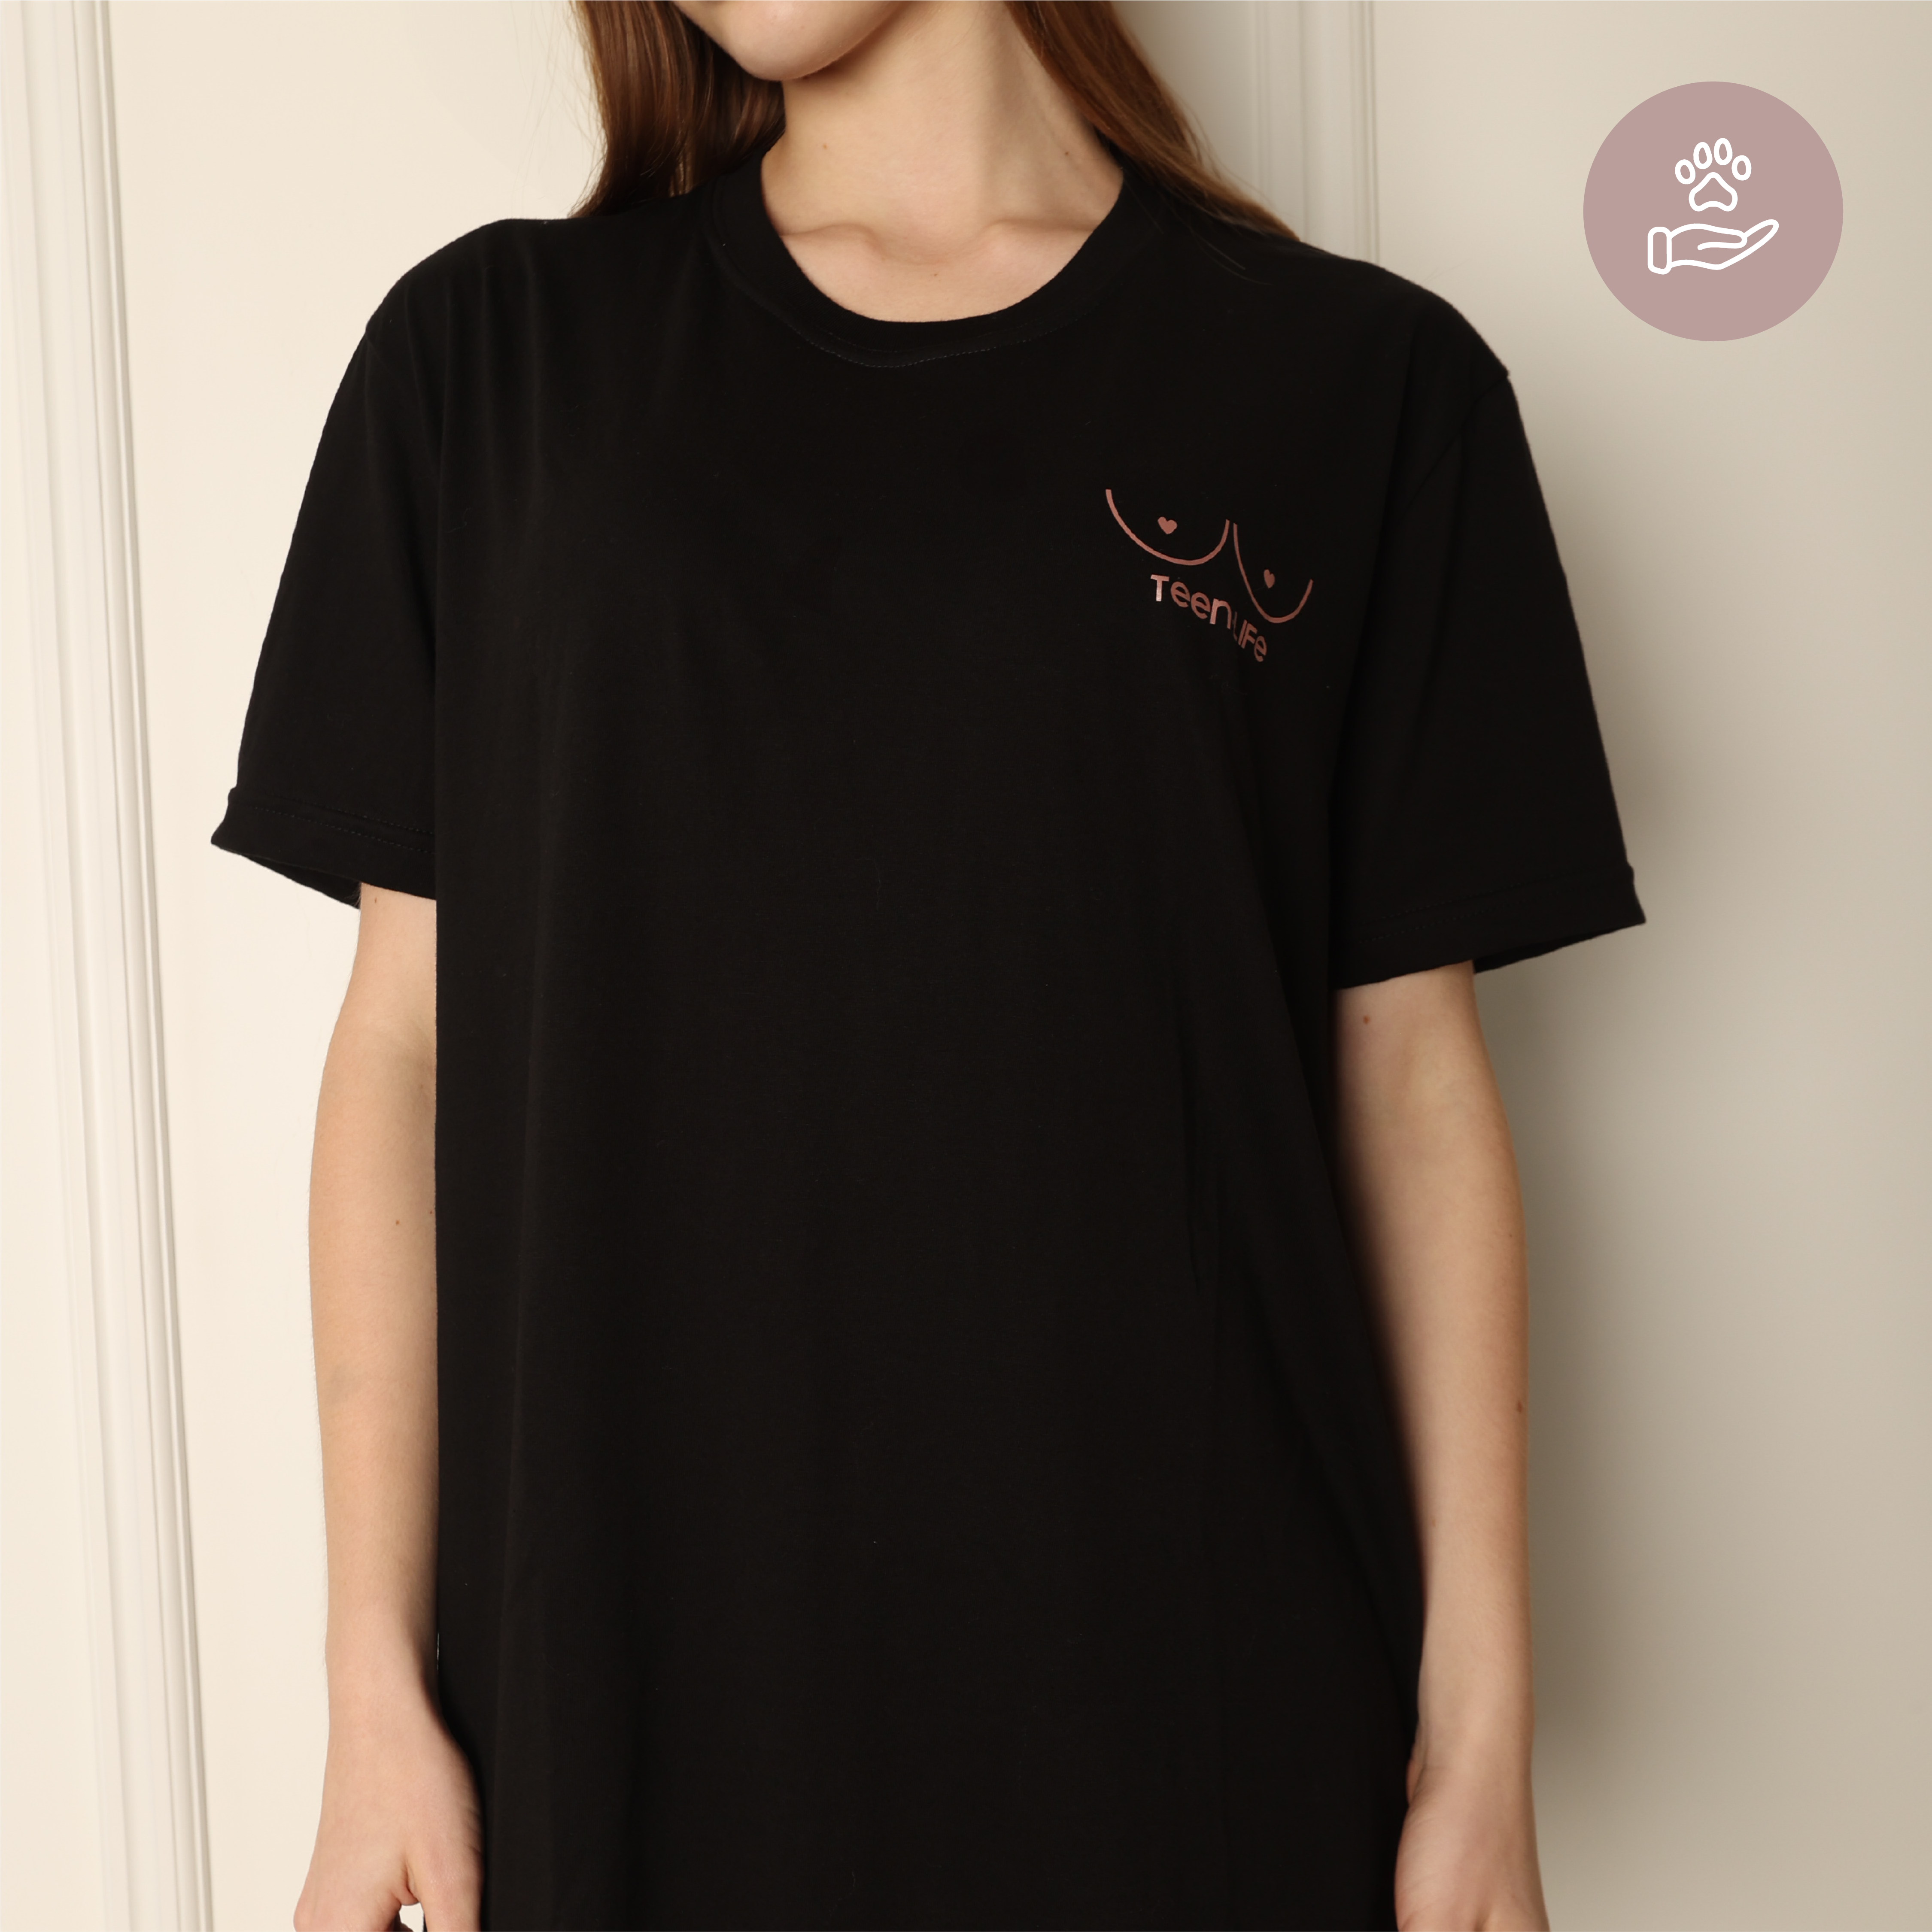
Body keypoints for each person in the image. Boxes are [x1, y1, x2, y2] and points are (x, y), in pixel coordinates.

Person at [213, 4, 1642, 1928]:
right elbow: (405, 1050)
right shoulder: (492, 362)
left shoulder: (1363, 388)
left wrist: (1479, 1745)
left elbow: (1410, 1088)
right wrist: (371, 1688)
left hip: (1204, 1721)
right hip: (625, 1706)